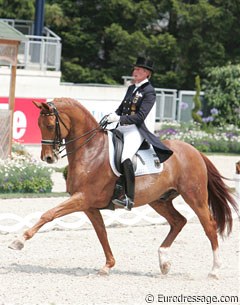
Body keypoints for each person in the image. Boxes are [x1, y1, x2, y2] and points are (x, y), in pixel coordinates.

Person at [107, 56, 173, 210]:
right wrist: (111, 117)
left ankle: (129, 198)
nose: (134, 72)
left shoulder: (149, 91)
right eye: (134, 69)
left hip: (136, 130)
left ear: (146, 73)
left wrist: (119, 118)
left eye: (138, 69)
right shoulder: (131, 88)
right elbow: (121, 108)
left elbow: (140, 117)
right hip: (122, 127)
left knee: (125, 157)